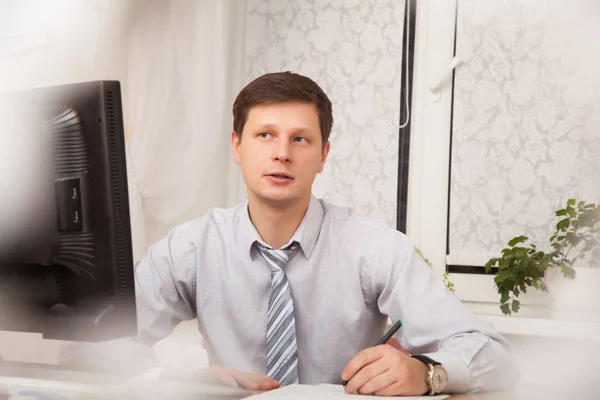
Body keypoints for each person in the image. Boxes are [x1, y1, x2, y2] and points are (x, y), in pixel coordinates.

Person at [60, 72, 514, 396]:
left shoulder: (374, 247)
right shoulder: (190, 247)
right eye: (264, 136)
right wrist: (176, 382)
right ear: (236, 146)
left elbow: (493, 355)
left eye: (300, 139)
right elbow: (89, 350)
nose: (281, 154)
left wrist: (426, 372)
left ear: (323, 155)